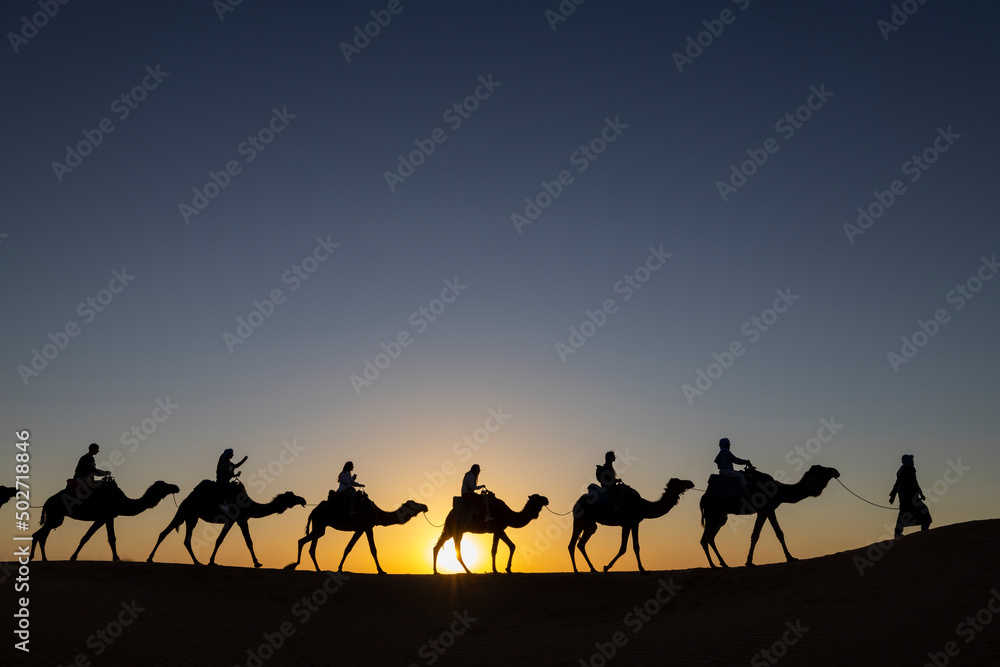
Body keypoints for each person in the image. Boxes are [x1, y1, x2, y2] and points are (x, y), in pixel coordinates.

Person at [889, 454, 932, 538]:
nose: (913, 461)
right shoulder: (910, 468)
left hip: (903, 495)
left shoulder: (901, 470)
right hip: (911, 495)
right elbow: (914, 482)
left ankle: (897, 533)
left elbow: (897, 483)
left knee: (903, 512)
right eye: (911, 460)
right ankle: (924, 531)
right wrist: (920, 493)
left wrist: (893, 496)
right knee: (923, 511)